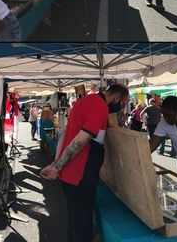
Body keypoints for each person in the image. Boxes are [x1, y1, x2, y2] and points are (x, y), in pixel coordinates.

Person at [40, 84, 130, 242]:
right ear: (116, 98)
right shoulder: (100, 106)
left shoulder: (85, 101)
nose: (122, 107)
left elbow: (66, 134)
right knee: (82, 225)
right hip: (79, 177)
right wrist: (57, 166)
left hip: (69, 177)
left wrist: (56, 163)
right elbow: (80, 140)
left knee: (75, 221)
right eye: (123, 103)